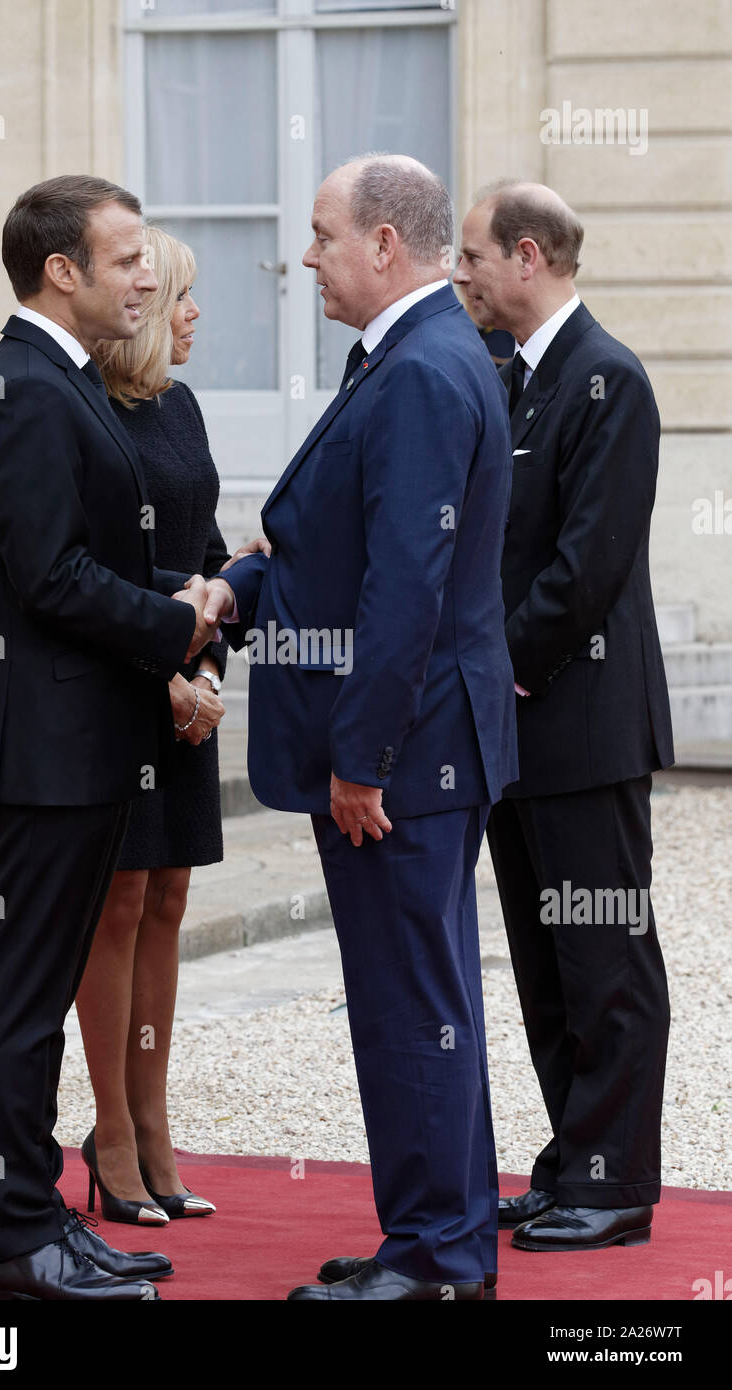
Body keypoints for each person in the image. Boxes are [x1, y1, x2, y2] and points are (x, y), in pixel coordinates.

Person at [205, 154, 517, 1301]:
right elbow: (339, 543)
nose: (305, 256)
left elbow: (406, 591)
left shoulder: (425, 368)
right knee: (417, 999)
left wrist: (360, 758)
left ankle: (436, 1257)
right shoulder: (415, 354)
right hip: (422, 741)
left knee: (409, 1005)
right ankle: (433, 1239)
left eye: (323, 234)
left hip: (409, 751)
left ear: (384, 243)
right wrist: (245, 582)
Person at [0, 175, 220, 1301]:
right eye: (124, 260)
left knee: (37, 989)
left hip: (83, 739)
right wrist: (180, 619)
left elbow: (82, 559)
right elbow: (52, 576)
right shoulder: (24, 390)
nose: (146, 276)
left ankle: (47, 1223)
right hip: (53, 747)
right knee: (25, 1000)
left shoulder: (62, 384)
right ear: (59, 272)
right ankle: (19, 1241)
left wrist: (186, 601)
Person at [454, 180, 673, 1252]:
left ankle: (616, 1184)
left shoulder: (606, 379)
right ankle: (568, 1164)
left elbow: (584, 569)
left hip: (578, 724)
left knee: (604, 960)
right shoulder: (510, 378)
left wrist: (486, 672)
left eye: (473, 258)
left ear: (526, 256)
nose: (461, 277)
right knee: (543, 964)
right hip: (517, 729)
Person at [75, 227, 235, 1223]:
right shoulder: (79, 411)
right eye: (179, 295)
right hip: (112, 690)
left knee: (169, 899)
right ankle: (113, 1131)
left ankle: (152, 1117)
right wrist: (162, 671)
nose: (189, 312)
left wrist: (208, 661)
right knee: (118, 904)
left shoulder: (181, 408)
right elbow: (79, 572)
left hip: (187, 686)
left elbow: (207, 549)